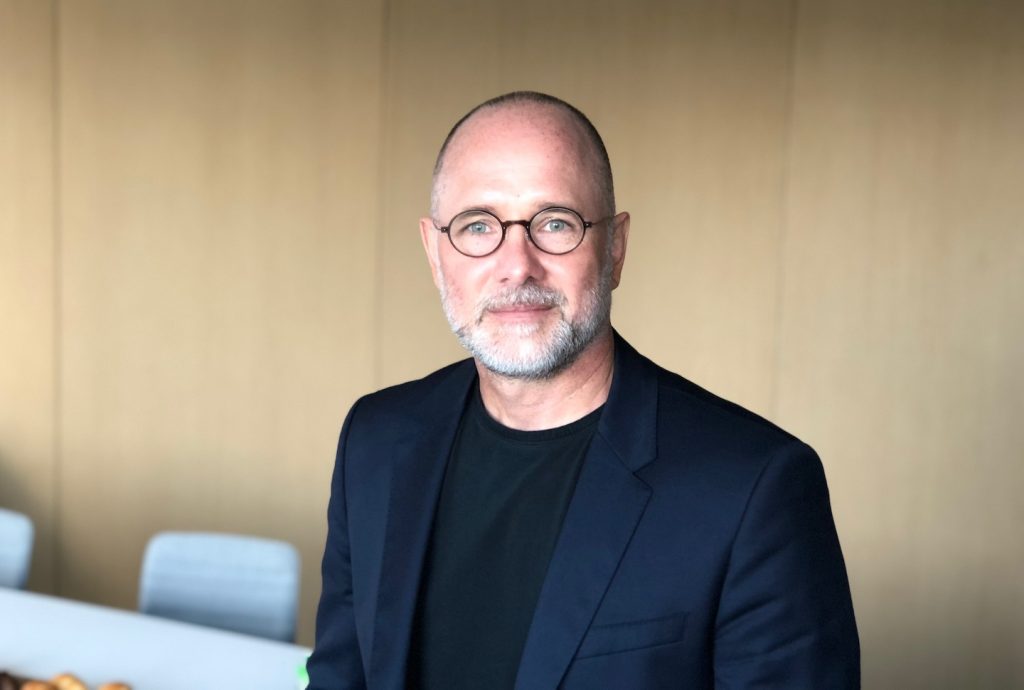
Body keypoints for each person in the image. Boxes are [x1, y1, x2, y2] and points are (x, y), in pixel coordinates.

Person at [307, 91, 860, 689]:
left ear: (615, 248)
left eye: (555, 223)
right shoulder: (375, 441)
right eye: (477, 226)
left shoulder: (754, 487)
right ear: (435, 254)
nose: (517, 265)